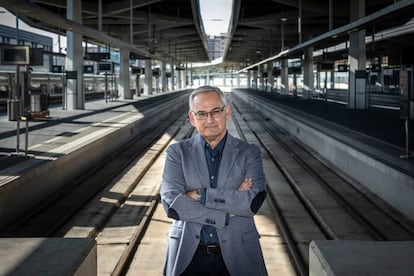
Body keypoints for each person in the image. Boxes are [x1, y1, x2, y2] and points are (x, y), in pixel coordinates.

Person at [161, 86, 267, 276]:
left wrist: (199, 194)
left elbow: (252, 202)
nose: (209, 120)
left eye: (215, 112)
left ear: (227, 113)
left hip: (238, 255)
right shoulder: (177, 153)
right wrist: (227, 213)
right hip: (189, 257)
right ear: (192, 119)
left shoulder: (249, 153)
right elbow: (172, 205)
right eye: (201, 114)